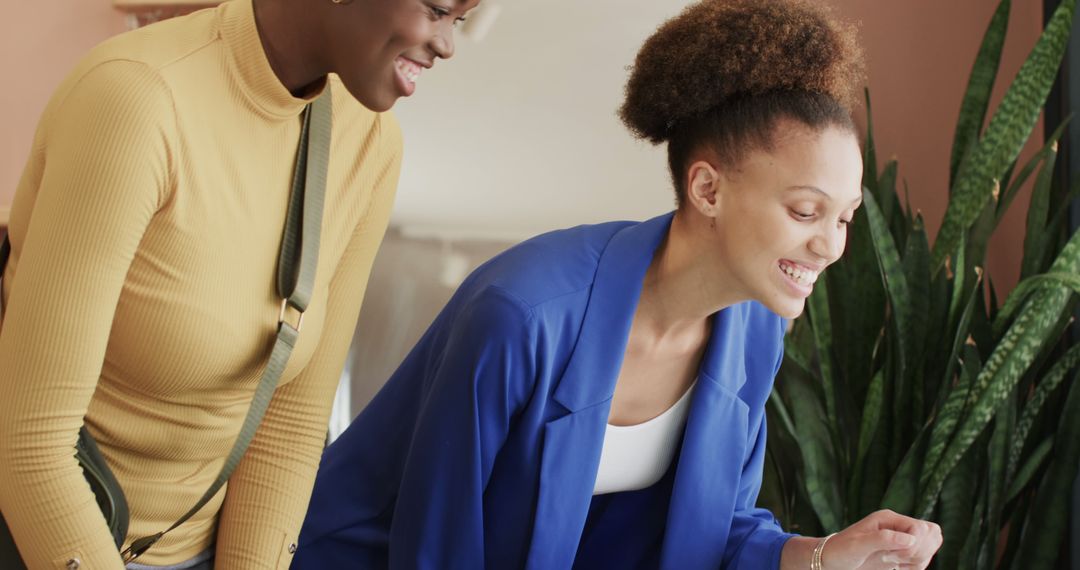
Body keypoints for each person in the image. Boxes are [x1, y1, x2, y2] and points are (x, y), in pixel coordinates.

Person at [295, 0, 946, 569]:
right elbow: (436, 546)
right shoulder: (523, 316)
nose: (830, 245)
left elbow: (710, 531)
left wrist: (826, 556)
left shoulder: (754, 332)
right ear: (707, 189)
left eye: (845, 217)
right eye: (805, 212)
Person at [0, 0, 480, 568]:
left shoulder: (371, 142)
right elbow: (29, 446)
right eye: (438, 9)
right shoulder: (135, 98)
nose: (447, 45)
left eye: (460, 20)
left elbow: (292, 426)